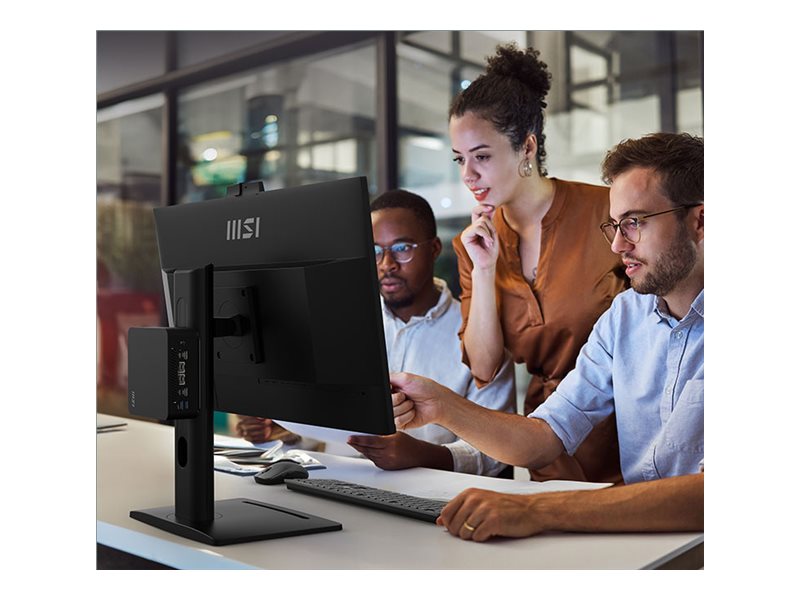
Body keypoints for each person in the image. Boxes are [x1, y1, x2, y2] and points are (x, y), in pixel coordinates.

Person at [391, 132, 704, 541]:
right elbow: (545, 435)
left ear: (700, 221)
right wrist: (441, 406)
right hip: (642, 546)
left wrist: (538, 509)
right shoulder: (625, 317)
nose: (617, 245)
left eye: (635, 223)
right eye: (615, 225)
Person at [238, 189, 516, 476]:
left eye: (402, 248)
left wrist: (424, 455)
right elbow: (322, 428)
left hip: (429, 492)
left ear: (434, 249)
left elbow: (498, 450)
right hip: (336, 480)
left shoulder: (479, 336)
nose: (386, 264)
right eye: (374, 251)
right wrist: (279, 431)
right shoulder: (342, 323)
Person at [449, 43, 628, 483]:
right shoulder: (473, 244)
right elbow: (485, 368)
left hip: (628, 437)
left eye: (482, 156)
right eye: (460, 159)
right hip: (545, 443)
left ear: (526, 146)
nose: (468, 175)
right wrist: (485, 269)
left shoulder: (608, 211)